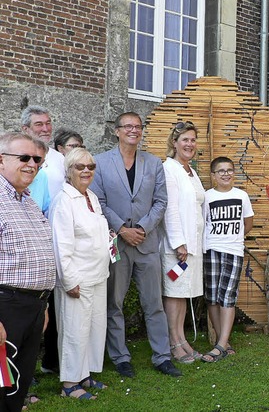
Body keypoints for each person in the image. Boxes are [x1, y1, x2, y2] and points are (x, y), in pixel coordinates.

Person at [90, 112, 181, 378]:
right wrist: (121, 229)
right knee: (114, 304)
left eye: (138, 127)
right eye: (128, 126)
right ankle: (120, 358)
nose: (134, 130)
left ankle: (162, 357)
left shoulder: (153, 163)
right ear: (116, 131)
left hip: (146, 242)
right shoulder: (101, 162)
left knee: (153, 303)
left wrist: (141, 228)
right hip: (117, 243)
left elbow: (161, 201)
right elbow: (99, 201)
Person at [0, 132, 56, 412]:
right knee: (1, 384)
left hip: (33, 307)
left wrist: (42, 304)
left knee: (17, 385)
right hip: (5, 308)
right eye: (23, 157)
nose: (32, 164)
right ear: (1, 160)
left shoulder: (29, 202)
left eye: (37, 159)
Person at [49, 148, 110, 400]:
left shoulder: (91, 197)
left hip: (98, 275)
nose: (86, 171)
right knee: (74, 330)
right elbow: (61, 245)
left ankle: (85, 374)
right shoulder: (64, 201)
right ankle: (70, 383)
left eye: (90, 167)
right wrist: (69, 280)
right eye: (80, 167)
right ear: (69, 170)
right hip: (78, 279)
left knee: (94, 328)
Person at [21, 105, 66, 376]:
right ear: (26, 129)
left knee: (51, 308)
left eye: (48, 123)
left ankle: (51, 361)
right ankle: (25, 370)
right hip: (25, 242)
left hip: (53, 241)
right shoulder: (20, 158)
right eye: (39, 124)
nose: (46, 128)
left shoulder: (59, 160)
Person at [160, 121, 205, 364]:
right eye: (185, 139)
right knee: (174, 294)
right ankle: (173, 342)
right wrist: (178, 243)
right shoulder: (170, 168)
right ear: (174, 143)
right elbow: (170, 209)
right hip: (178, 248)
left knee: (184, 293)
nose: (190, 144)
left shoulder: (190, 170)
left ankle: (182, 339)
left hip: (193, 245)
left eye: (193, 140)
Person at [203, 156, 254, 361]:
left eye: (229, 170)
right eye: (221, 171)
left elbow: (247, 223)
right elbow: (203, 223)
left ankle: (222, 344)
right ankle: (222, 341)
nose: (226, 174)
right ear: (213, 175)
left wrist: (233, 239)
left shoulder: (241, 195)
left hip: (233, 251)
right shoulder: (207, 197)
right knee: (213, 297)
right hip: (211, 250)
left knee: (228, 296)